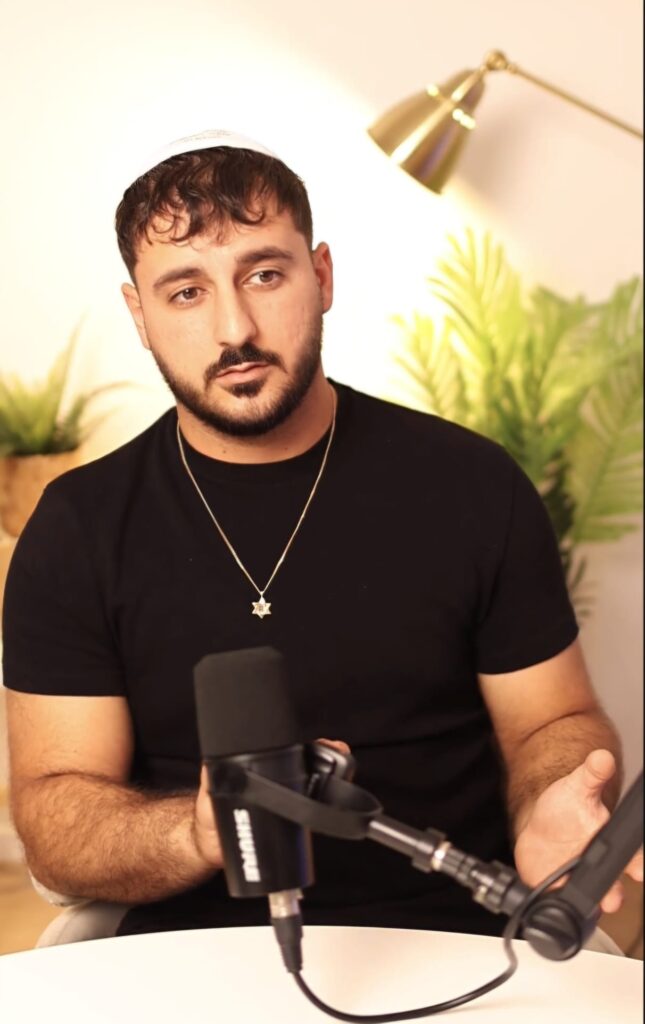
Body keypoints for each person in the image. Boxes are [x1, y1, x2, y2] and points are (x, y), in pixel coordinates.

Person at [2, 130, 642, 942]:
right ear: (140, 315)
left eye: (264, 275)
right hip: (183, 947)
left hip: (457, 931)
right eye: (186, 292)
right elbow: (57, 812)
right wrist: (197, 833)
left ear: (322, 276)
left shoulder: (471, 484)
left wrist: (551, 799)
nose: (235, 328)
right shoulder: (78, 525)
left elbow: (551, 723)